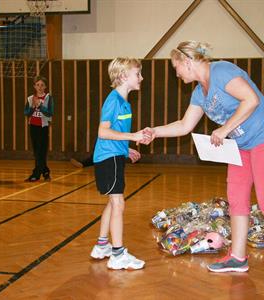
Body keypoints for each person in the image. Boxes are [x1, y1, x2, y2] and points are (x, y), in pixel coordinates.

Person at [143, 41, 264, 289]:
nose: (176, 73)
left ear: (188, 62)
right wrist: (154, 132)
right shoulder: (197, 94)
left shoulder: (222, 71)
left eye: (176, 67)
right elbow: (184, 125)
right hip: (241, 145)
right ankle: (237, 257)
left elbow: (251, 100)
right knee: (236, 198)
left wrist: (224, 129)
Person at [89, 57, 148, 270]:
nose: (141, 77)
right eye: (137, 74)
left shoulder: (124, 102)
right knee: (118, 203)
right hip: (107, 159)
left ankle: (102, 245)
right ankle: (118, 254)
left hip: (114, 156)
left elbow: (116, 133)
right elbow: (103, 131)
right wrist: (133, 137)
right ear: (124, 76)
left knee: (112, 202)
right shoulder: (114, 100)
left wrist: (126, 148)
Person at [24, 76, 54, 182]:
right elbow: (26, 113)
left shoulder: (48, 98)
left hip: (43, 127)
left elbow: (50, 113)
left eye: (42, 85)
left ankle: (36, 174)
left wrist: (40, 106)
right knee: (37, 151)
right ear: (34, 86)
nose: (40, 87)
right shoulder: (30, 98)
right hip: (33, 127)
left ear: (45, 87)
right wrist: (32, 107)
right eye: (37, 85)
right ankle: (45, 172)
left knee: (42, 151)